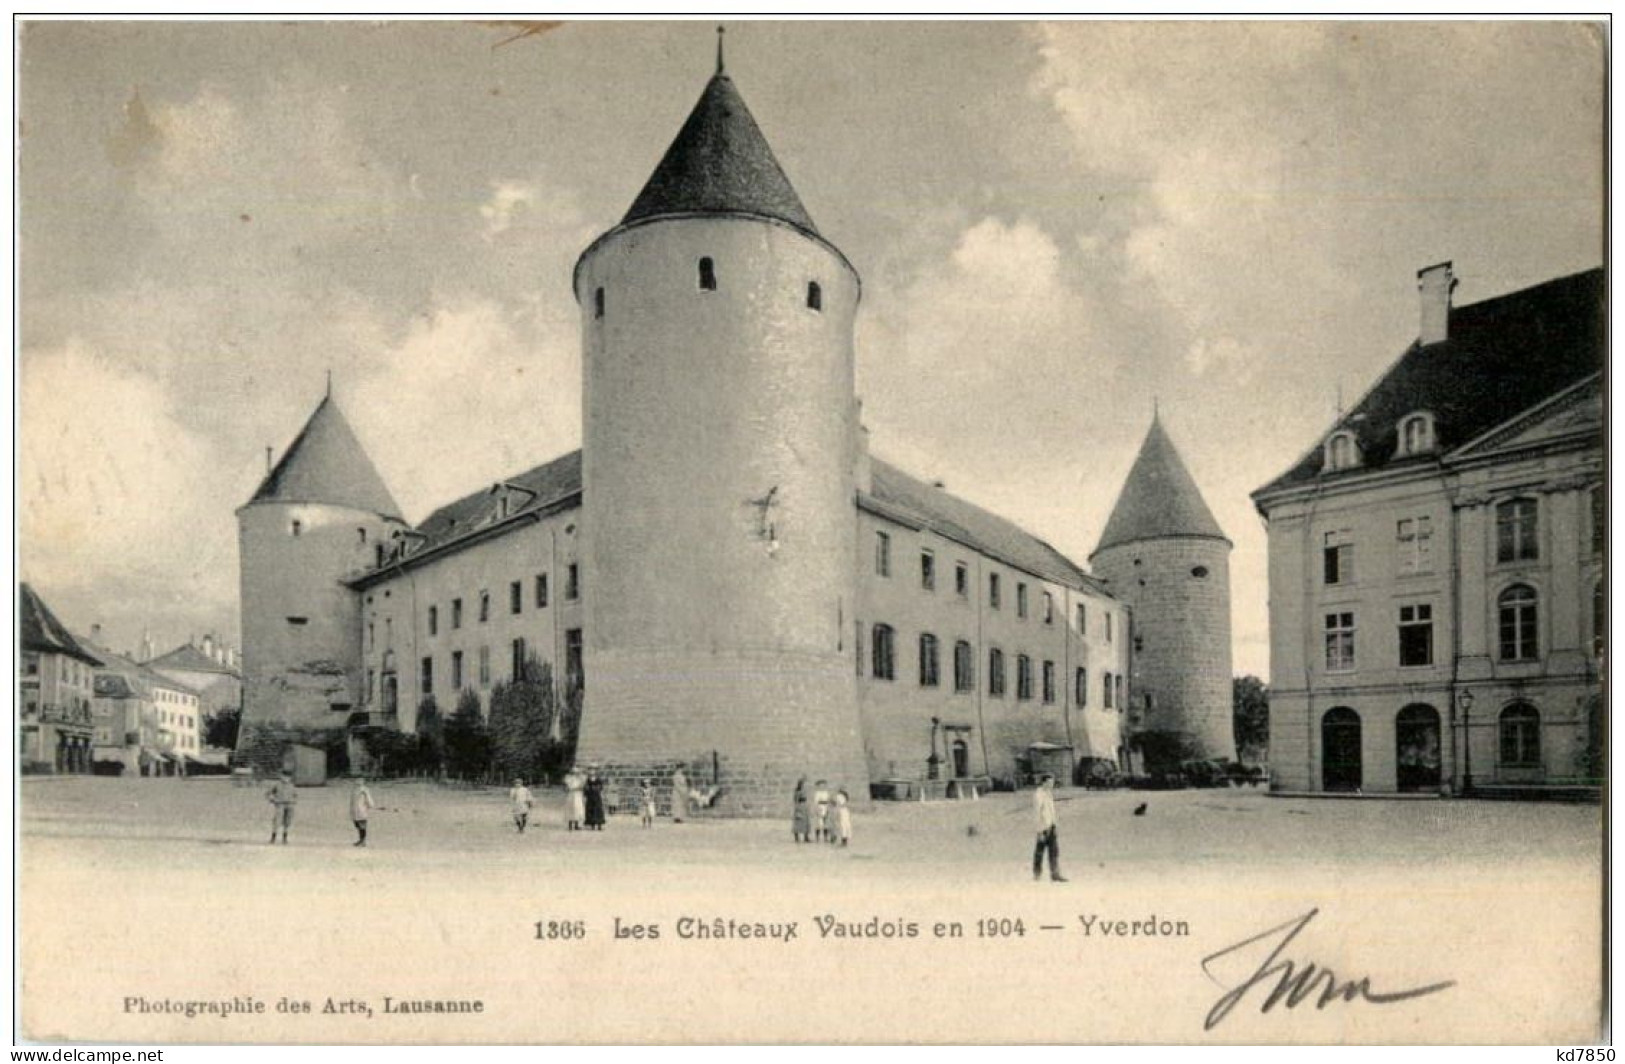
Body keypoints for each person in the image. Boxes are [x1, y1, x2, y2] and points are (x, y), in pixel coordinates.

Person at [1032, 774, 1065, 882]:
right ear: (1044, 782)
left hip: (1051, 826)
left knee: (1054, 851)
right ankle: (1037, 873)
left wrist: (1055, 824)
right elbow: (1037, 813)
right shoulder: (1038, 795)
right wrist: (1039, 831)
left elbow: (1051, 810)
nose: (1052, 784)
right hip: (1043, 827)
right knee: (1039, 852)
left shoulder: (1048, 794)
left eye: (1052, 782)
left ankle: (1055, 874)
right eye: (1050, 782)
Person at [265, 770, 297, 845]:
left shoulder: (291, 785)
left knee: (287, 821)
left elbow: (295, 795)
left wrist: (294, 801)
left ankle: (285, 838)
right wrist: (272, 799)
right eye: (284, 776)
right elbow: (268, 793)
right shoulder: (277, 785)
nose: (286, 779)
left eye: (288, 777)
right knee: (277, 821)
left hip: (289, 805)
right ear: (281, 776)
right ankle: (273, 837)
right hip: (280, 804)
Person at [349, 776, 375, 847]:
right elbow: (352, 801)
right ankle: (361, 839)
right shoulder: (354, 790)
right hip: (355, 810)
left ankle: (363, 840)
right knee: (357, 824)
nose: (357, 782)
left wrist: (370, 805)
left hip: (362, 810)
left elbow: (368, 799)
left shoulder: (364, 790)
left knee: (362, 825)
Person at [564, 765, 586, 831]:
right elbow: (567, 787)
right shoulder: (568, 778)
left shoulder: (580, 779)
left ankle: (577, 824)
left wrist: (579, 787)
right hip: (571, 795)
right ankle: (570, 824)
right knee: (571, 808)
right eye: (574, 772)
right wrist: (571, 788)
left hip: (578, 795)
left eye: (577, 773)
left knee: (578, 809)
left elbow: (582, 785)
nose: (575, 774)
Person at [791, 777, 811, 843]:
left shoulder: (804, 791)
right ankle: (796, 837)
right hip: (799, 806)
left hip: (804, 807)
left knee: (806, 822)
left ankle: (806, 837)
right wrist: (797, 808)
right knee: (798, 822)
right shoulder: (797, 791)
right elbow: (796, 800)